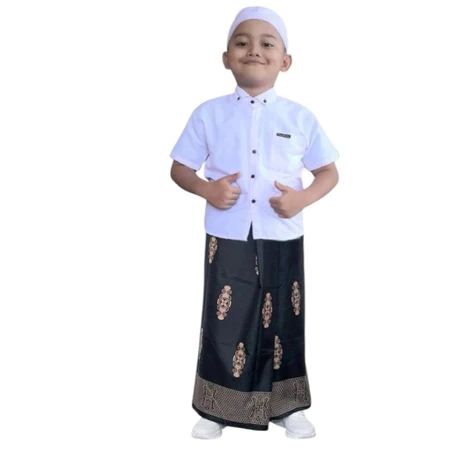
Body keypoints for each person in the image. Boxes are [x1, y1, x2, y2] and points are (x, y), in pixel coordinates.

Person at [169, 6, 339, 439]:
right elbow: (180, 168)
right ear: (226, 57)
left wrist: (301, 199)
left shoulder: (299, 117)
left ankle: (288, 406)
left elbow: (328, 172)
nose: (254, 51)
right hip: (227, 234)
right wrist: (207, 190)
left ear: (285, 60)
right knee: (224, 320)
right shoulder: (208, 114)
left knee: (284, 318)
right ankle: (216, 406)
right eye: (242, 43)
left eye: (267, 44)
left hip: (282, 234)